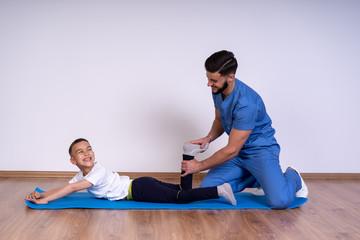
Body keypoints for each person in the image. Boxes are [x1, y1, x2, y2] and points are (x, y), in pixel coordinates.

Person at [181, 50, 308, 209]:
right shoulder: (218, 90)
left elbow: (231, 150)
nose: (209, 84)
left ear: (231, 77)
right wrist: (209, 137)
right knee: (208, 190)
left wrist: (199, 166)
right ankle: (262, 178)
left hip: (260, 151)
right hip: (239, 153)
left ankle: (292, 177)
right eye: (208, 78)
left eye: (213, 80)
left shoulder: (246, 104)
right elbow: (220, 120)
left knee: (279, 202)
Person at [25, 138, 236, 206]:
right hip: (142, 183)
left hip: (138, 190)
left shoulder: (95, 173)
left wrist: (44, 202)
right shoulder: (82, 176)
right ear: (73, 160)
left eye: (89, 148)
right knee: (181, 190)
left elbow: (72, 188)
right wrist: (42, 194)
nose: (87, 153)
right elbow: (67, 187)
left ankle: (219, 190)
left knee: (181, 198)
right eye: (81, 152)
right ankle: (188, 155)